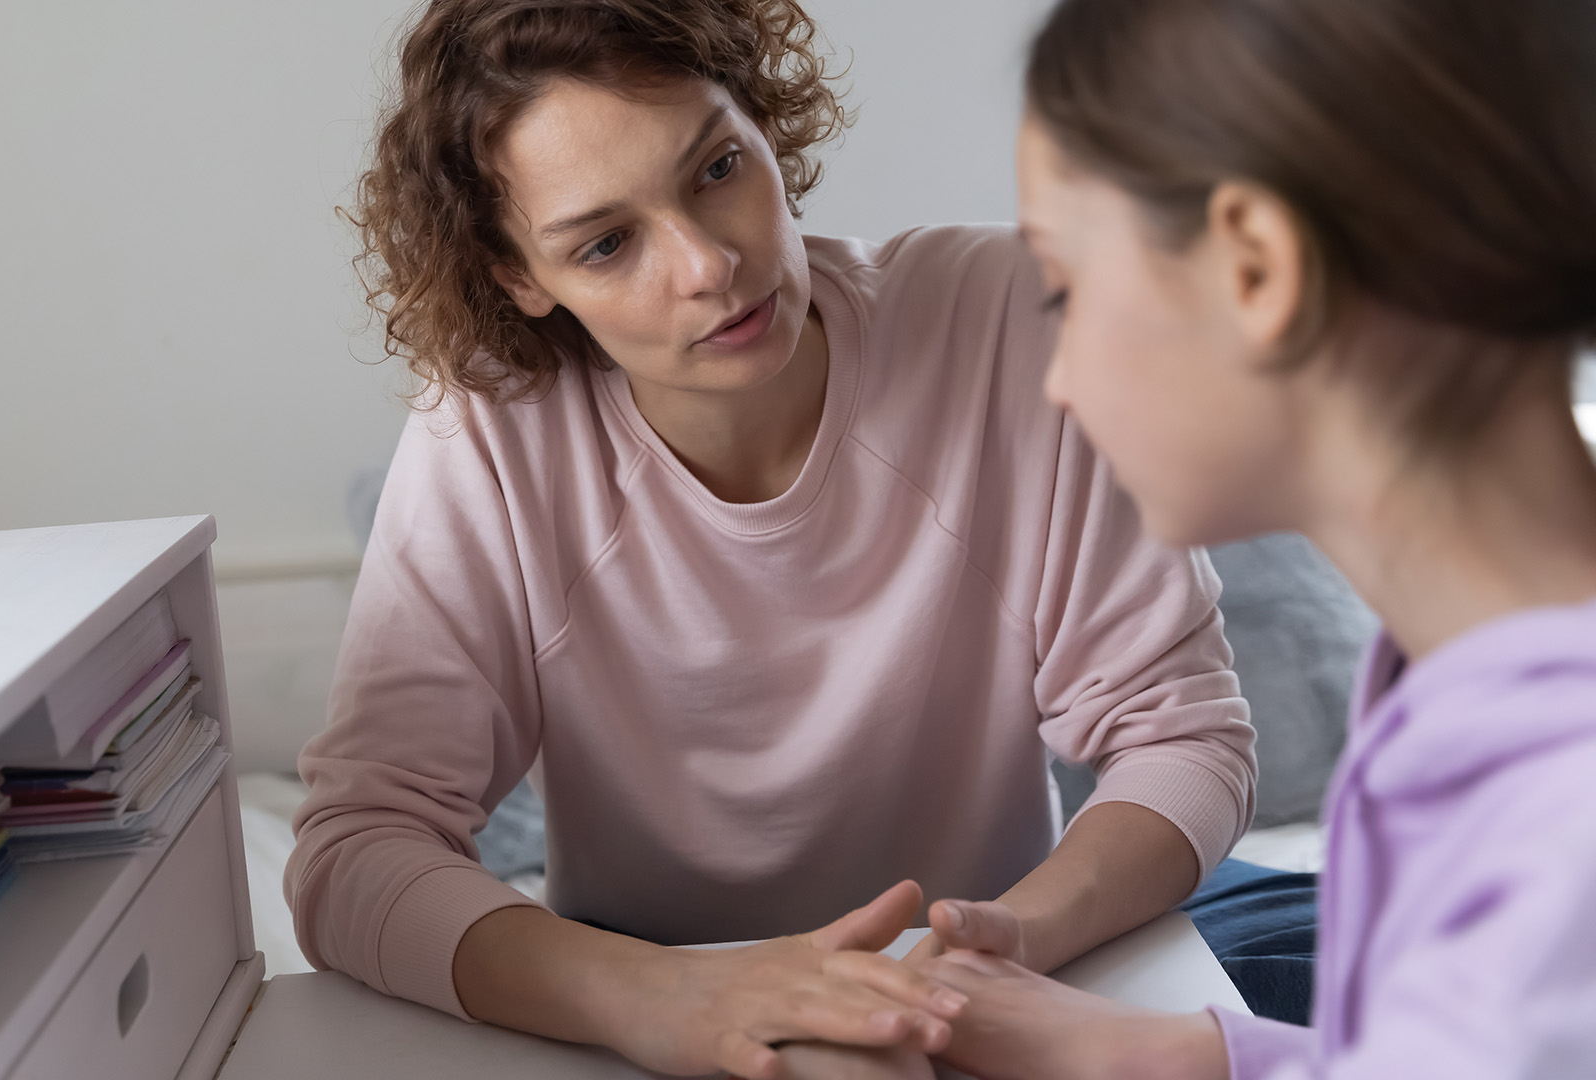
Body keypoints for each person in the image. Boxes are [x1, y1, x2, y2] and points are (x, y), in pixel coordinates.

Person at [285, 1, 1266, 1076]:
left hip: (1002, 985)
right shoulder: (489, 428)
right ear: (521, 278)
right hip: (652, 1019)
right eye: (607, 244)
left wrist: (1000, 951)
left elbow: (1183, 736)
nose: (707, 265)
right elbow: (355, 850)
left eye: (715, 169)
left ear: (762, 123)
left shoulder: (1002, 318)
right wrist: (659, 999)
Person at [906, 0, 1596, 1076]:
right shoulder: (1462, 678)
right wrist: (1153, 1053)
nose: (1060, 381)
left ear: (1256, 266)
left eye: (1065, 290)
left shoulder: (1559, 831)